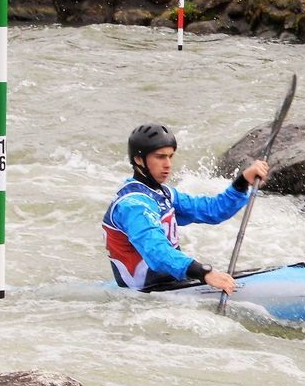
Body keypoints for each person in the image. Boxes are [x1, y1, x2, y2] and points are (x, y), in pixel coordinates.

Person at [104, 123, 270, 294]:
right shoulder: (133, 206)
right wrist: (204, 272)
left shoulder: (164, 194)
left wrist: (243, 182)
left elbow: (213, 210)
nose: (168, 164)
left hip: (172, 283)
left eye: (170, 156)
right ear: (139, 160)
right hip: (147, 295)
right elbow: (157, 253)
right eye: (160, 157)